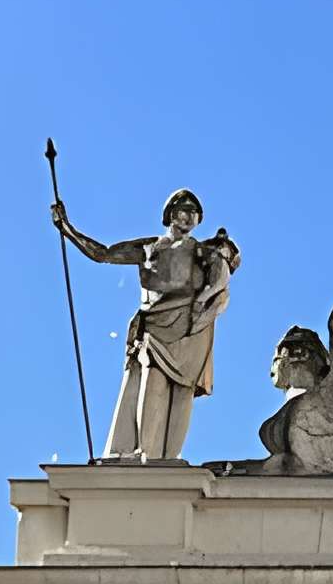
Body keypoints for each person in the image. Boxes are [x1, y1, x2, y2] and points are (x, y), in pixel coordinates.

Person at [52, 186, 238, 461]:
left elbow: (224, 276)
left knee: (182, 392)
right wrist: (67, 229)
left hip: (191, 327)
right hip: (155, 325)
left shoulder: (204, 252)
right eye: (183, 210)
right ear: (170, 214)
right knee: (152, 383)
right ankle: (145, 452)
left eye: (194, 212)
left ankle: (169, 457)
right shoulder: (150, 247)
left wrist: (221, 261)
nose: (188, 216)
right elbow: (103, 253)